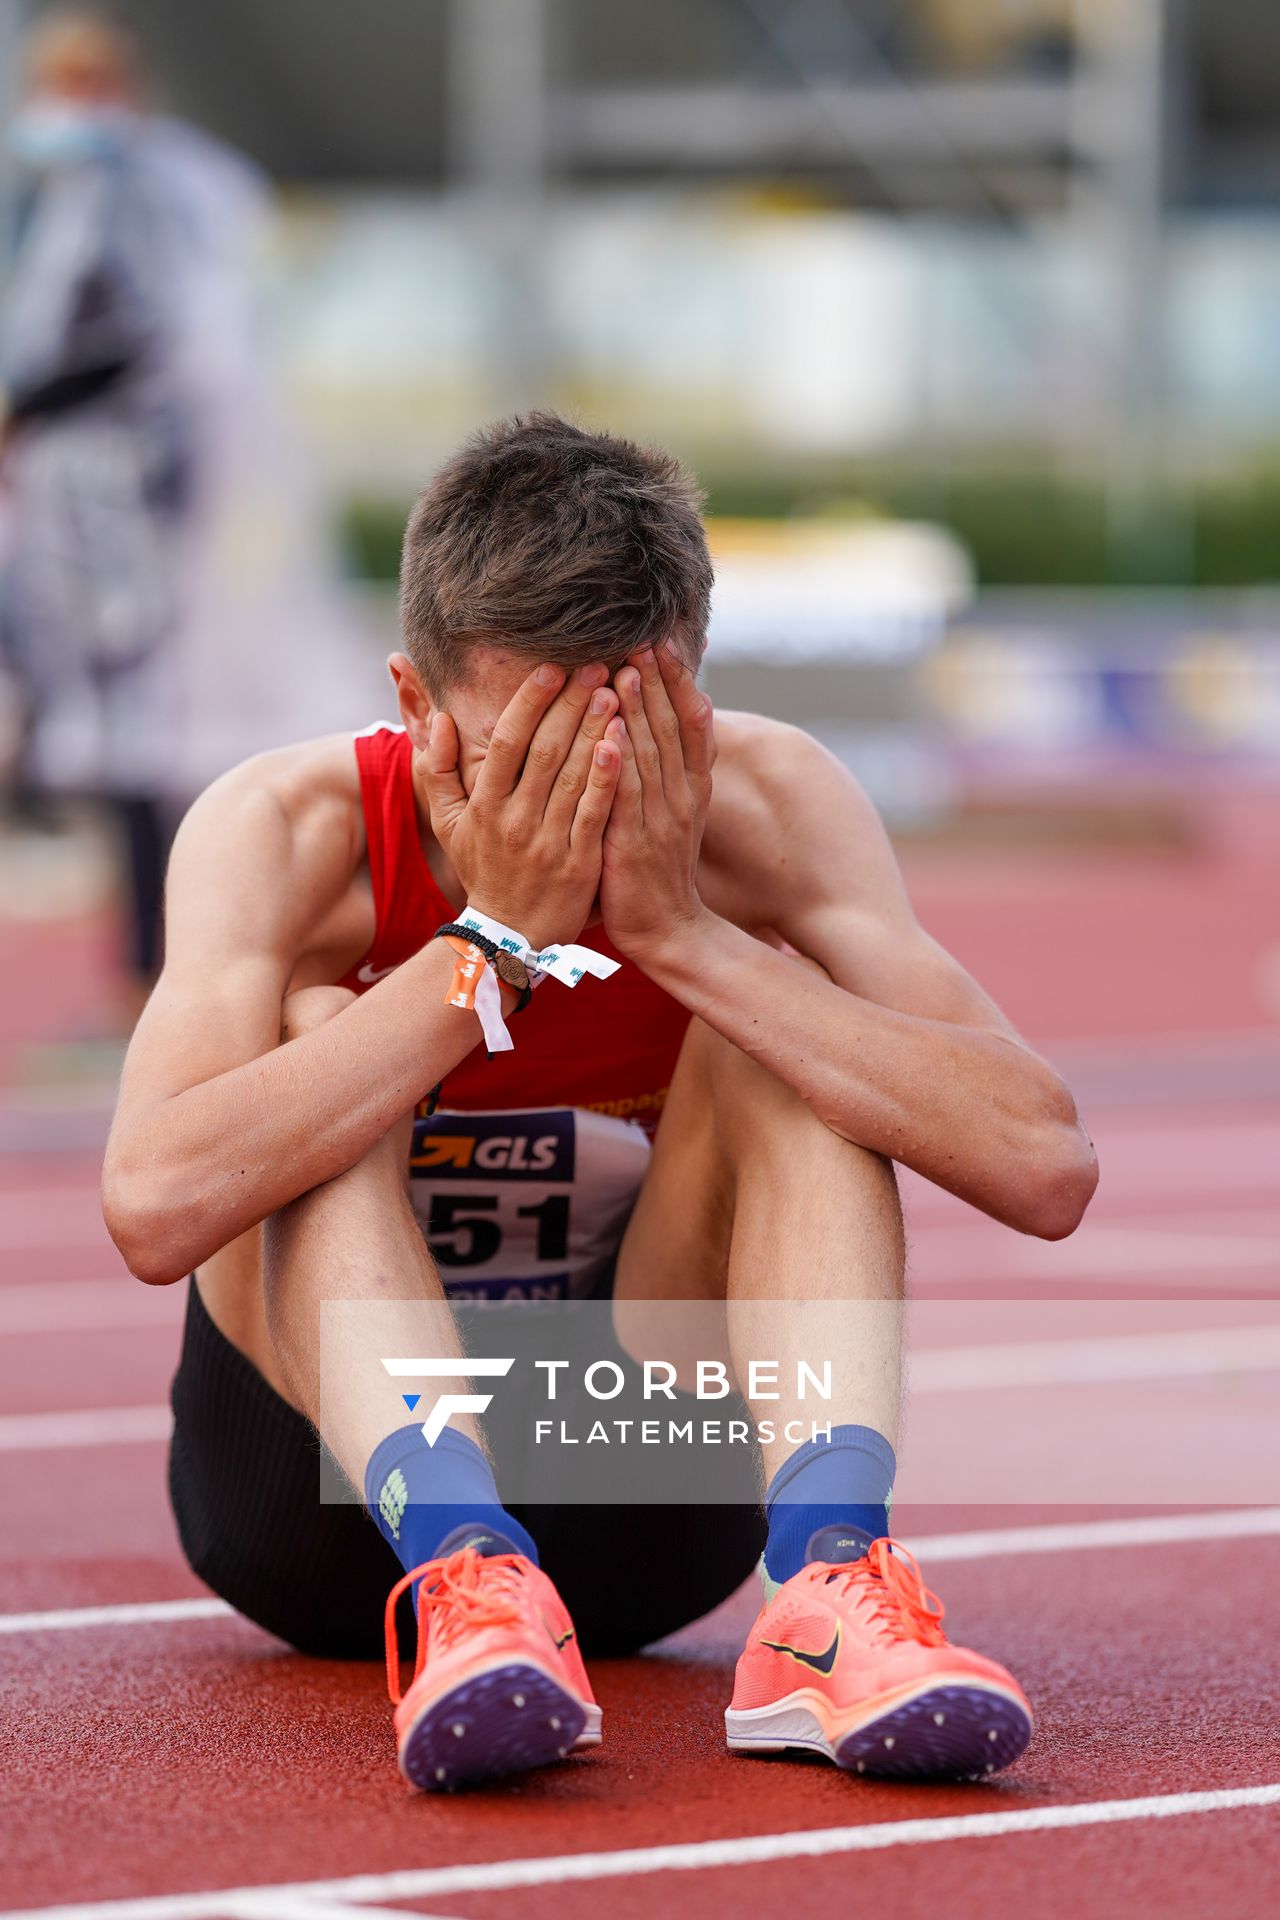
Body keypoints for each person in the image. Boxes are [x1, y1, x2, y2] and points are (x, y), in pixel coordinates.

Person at [102, 413, 1098, 1792]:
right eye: (526, 754)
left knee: (783, 1037)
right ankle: (467, 1575)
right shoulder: (283, 833)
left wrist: (691, 939)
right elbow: (154, 1206)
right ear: (415, 708)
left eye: (620, 739)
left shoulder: (768, 804)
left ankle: (825, 1588)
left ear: (692, 689)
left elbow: (1044, 1164)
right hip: (319, 1509)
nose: (577, 796)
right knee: (315, 1032)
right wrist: (487, 944)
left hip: (640, 1482)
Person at [0, 10, 369, 1028]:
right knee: (130, 755)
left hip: (143, 525)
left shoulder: (140, 194)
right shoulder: (95, 195)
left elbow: (150, 346)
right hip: (108, 525)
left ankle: (166, 983)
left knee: (156, 753)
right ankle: (156, 978)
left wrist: (25, 413)